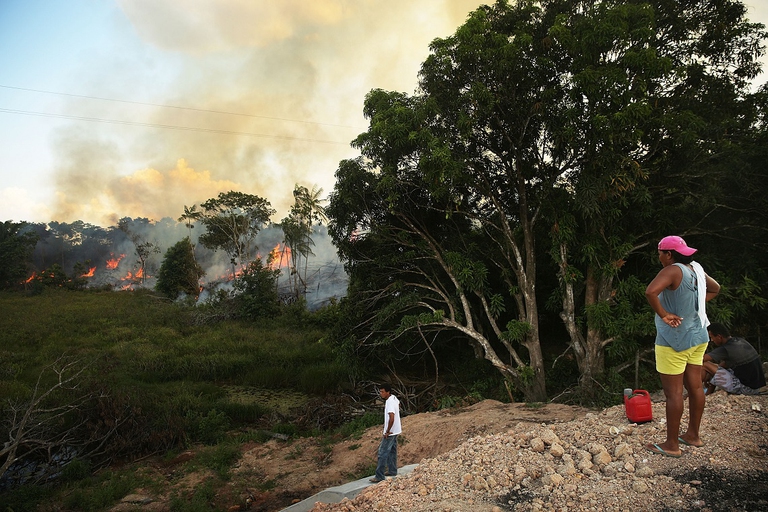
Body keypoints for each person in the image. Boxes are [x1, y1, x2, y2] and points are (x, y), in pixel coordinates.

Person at [645, 235, 720, 457]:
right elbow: (715, 288)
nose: (659, 257)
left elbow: (650, 292)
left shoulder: (672, 270)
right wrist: (693, 305)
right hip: (698, 337)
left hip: (674, 340)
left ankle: (671, 445)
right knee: (695, 387)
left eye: (660, 253)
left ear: (669, 254)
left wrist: (664, 313)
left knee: (674, 393)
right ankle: (693, 436)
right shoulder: (695, 269)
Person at [702, 323, 766, 395]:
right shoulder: (740, 341)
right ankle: (708, 393)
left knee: (705, 364)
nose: (712, 340)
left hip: (746, 389)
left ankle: (695, 390)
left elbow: (701, 359)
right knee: (715, 368)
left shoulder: (725, 349)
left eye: (712, 337)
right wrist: (709, 375)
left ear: (719, 337)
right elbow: (724, 365)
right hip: (756, 388)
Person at [369, 383, 401, 483]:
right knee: (392, 451)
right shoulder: (394, 398)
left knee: (382, 453)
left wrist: (387, 431)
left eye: (382, 392)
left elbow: (391, 417)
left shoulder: (389, 402)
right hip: (396, 430)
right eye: (380, 391)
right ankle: (392, 470)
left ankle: (379, 476)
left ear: (388, 392)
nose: (381, 393)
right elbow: (399, 404)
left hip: (390, 432)